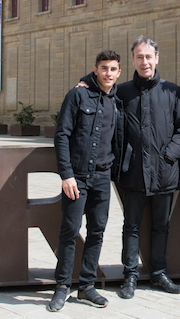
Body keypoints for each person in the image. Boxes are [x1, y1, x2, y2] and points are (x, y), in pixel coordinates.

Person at [97, 35, 180, 299]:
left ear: (157, 58)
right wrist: (85, 79)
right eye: (139, 56)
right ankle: (130, 275)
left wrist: (169, 156)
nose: (144, 61)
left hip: (165, 172)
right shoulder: (122, 91)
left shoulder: (172, 91)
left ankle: (159, 273)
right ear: (133, 60)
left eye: (149, 56)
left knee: (161, 226)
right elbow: (100, 84)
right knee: (132, 226)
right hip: (133, 172)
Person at [48, 50, 124, 312]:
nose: (108, 73)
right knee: (69, 231)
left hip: (103, 177)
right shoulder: (77, 95)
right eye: (103, 68)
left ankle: (87, 287)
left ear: (118, 72)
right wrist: (66, 174)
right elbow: (62, 135)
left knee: (97, 231)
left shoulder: (117, 100)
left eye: (113, 69)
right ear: (95, 70)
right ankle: (61, 287)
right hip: (77, 177)